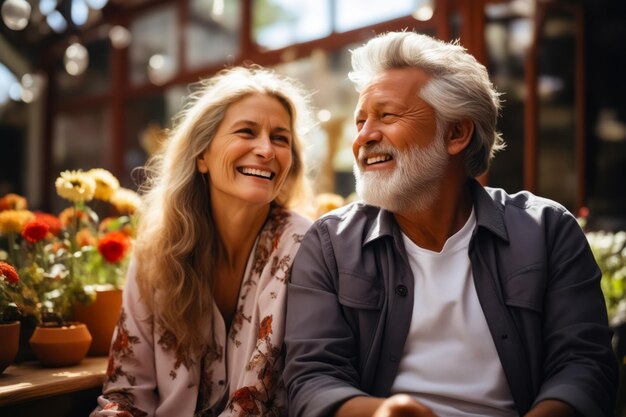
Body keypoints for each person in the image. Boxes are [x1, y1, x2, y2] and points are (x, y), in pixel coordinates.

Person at [283, 32, 618, 417]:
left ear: (457, 133)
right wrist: (381, 413)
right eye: (361, 121)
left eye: (387, 116)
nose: (363, 138)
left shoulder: (548, 230)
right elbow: (312, 380)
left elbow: (584, 366)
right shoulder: (328, 244)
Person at [91, 66, 313, 417]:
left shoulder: (305, 246)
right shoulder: (155, 252)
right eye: (247, 131)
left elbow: (265, 402)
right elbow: (127, 390)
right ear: (202, 155)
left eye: (281, 138)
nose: (267, 150)